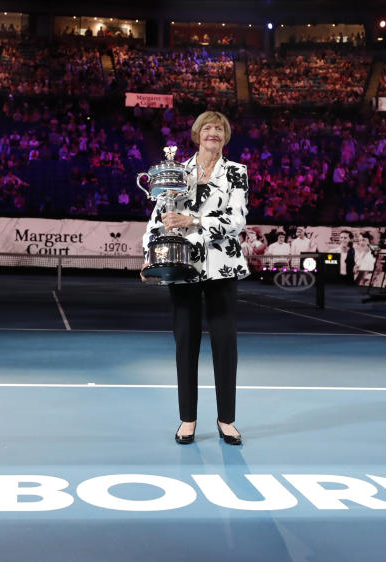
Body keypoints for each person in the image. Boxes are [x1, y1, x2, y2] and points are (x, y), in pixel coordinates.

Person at [141, 111, 249, 446]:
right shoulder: (177, 172)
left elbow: (237, 219)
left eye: (219, 128)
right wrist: (149, 257)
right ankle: (187, 420)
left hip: (221, 267)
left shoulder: (237, 172)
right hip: (182, 268)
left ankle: (226, 420)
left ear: (225, 136)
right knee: (185, 344)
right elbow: (159, 217)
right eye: (207, 127)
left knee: (224, 345)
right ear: (197, 134)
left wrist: (194, 221)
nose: (212, 132)